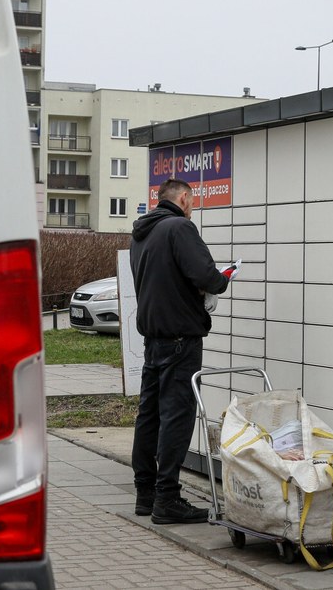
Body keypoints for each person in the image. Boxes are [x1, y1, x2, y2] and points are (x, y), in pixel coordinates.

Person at [129, 178, 230, 525]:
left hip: (153, 339)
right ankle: (168, 499)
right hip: (180, 340)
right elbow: (205, 274)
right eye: (193, 202)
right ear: (184, 199)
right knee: (177, 415)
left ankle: (146, 494)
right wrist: (223, 279)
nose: (192, 208)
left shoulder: (141, 234)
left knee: (150, 415)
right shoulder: (180, 228)